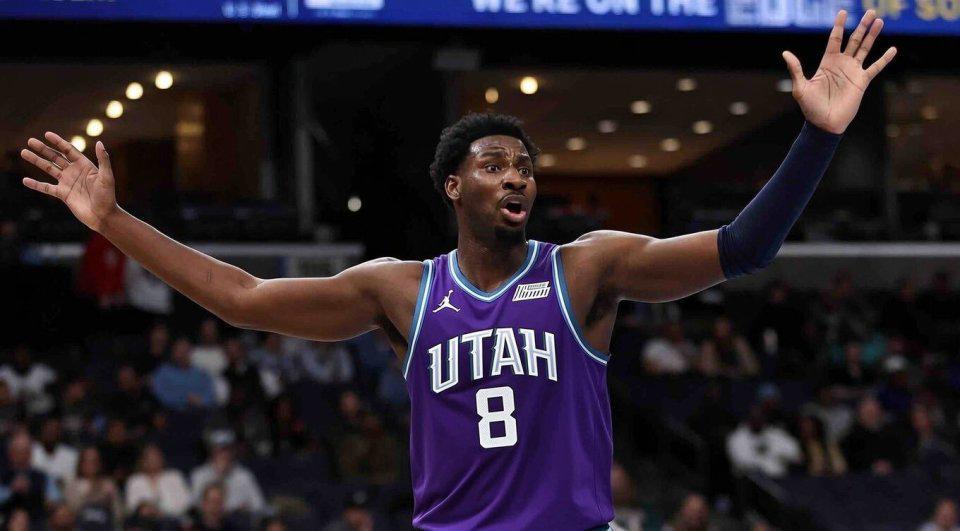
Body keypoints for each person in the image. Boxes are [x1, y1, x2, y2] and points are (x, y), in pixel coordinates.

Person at [17, 11, 896, 527]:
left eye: (526, 166)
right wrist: (115, 221)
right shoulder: (400, 289)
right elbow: (243, 298)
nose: (517, 176)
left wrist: (818, 139)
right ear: (452, 185)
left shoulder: (586, 268)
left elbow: (743, 248)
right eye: (496, 163)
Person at [125, 444, 192, 518]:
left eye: (155, 457)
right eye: (149, 458)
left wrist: (162, 513)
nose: (152, 460)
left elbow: (186, 502)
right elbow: (132, 506)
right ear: (142, 461)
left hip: (174, 519)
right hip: (145, 520)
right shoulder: (135, 480)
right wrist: (147, 509)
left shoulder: (175, 476)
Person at [63, 446, 123, 528]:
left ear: (100, 463)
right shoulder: (72, 484)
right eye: (87, 461)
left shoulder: (109, 484)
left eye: (94, 461)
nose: (91, 465)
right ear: (81, 463)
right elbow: (71, 509)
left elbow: (118, 511)